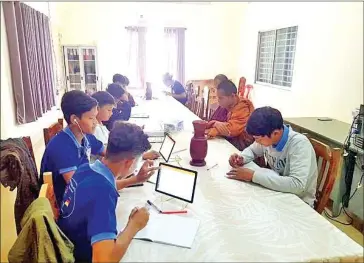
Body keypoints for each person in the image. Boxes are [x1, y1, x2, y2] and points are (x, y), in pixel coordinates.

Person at [58, 122, 157, 262]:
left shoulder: (86, 169)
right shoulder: (103, 194)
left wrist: (136, 179)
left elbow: (97, 189)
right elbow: (103, 260)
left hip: (67, 242)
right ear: (130, 162)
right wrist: (134, 226)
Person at [227, 107, 318, 207]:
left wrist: (253, 176)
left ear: (276, 133)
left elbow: (297, 185)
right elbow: (253, 150)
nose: (257, 142)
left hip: (299, 201)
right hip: (278, 192)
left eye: (258, 139)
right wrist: (242, 158)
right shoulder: (268, 137)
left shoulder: (299, 144)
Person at [40, 90, 105, 207]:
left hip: (80, 196)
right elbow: (79, 189)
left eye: (95, 117)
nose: (96, 122)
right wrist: (129, 181)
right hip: (67, 207)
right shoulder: (61, 147)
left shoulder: (85, 136)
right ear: (74, 119)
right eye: (91, 118)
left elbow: (108, 153)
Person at [91, 91, 160, 160]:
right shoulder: (95, 130)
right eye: (109, 110)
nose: (111, 113)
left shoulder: (101, 125)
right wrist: (141, 156)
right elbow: (111, 155)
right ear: (97, 109)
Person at [206, 80, 254, 151]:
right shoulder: (228, 105)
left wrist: (214, 126)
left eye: (221, 98)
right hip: (231, 142)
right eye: (218, 98)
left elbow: (231, 129)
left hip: (244, 148)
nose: (218, 101)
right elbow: (218, 123)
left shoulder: (243, 107)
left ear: (232, 96)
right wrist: (214, 124)